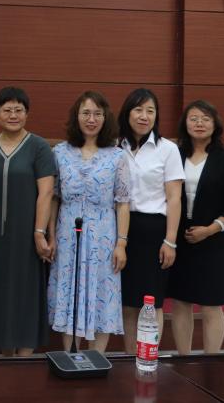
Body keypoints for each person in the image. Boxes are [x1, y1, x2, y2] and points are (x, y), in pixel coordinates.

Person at [47, 91, 130, 353]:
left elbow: (123, 202)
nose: (91, 119)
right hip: (67, 235)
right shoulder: (60, 152)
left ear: (105, 118)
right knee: (70, 293)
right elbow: (54, 197)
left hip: (103, 236)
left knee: (101, 292)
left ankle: (96, 360)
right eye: (86, 113)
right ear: (76, 117)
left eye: (97, 114)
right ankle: (70, 358)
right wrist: (51, 235)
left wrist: (121, 244)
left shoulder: (117, 156)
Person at [0, 86, 55, 356]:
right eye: (7, 110)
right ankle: (6, 358)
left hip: (27, 237)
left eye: (19, 110)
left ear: (27, 113)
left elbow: (46, 193)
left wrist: (39, 232)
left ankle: (24, 361)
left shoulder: (39, 147)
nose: (13, 115)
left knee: (26, 296)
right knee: (0, 295)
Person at [167, 100, 224, 354]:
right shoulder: (174, 155)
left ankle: (212, 361)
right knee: (181, 302)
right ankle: (184, 358)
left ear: (215, 124)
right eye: (193, 118)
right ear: (185, 123)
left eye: (205, 118)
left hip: (213, 240)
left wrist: (209, 230)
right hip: (179, 238)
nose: (199, 123)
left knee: (212, 304)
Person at [117, 87, 183, 354]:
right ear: (127, 113)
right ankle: (130, 357)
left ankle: (148, 356)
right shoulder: (114, 147)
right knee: (127, 302)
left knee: (151, 301)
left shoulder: (168, 149)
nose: (144, 116)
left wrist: (170, 240)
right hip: (121, 229)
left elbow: (174, 198)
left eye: (150, 111)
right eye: (138, 110)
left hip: (153, 231)